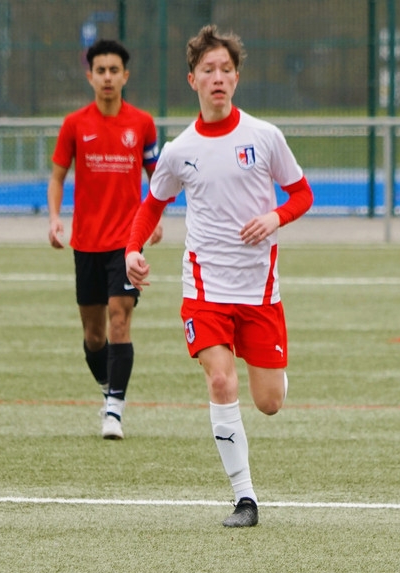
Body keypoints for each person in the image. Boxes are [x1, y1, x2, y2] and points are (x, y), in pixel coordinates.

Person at [124, 25, 313, 528]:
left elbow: (302, 195)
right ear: (192, 80)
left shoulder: (264, 137)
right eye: (208, 70)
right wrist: (131, 249)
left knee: (269, 402)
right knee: (222, 380)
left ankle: (269, 375)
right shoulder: (178, 150)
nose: (218, 78)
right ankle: (245, 499)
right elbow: (151, 205)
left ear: (237, 78)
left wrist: (275, 217)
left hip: (260, 293)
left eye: (226, 70)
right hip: (205, 291)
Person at [48, 39, 162, 440]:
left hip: (126, 242)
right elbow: (58, 176)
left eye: (115, 70)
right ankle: (109, 387)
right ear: (90, 76)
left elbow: (156, 175)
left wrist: (154, 218)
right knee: (94, 337)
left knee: (120, 317)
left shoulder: (143, 123)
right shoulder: (74, 124)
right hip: (86, 243)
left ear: (125, 76)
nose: (108, 77)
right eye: (101, 71)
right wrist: (55, 220)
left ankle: (114, 409)